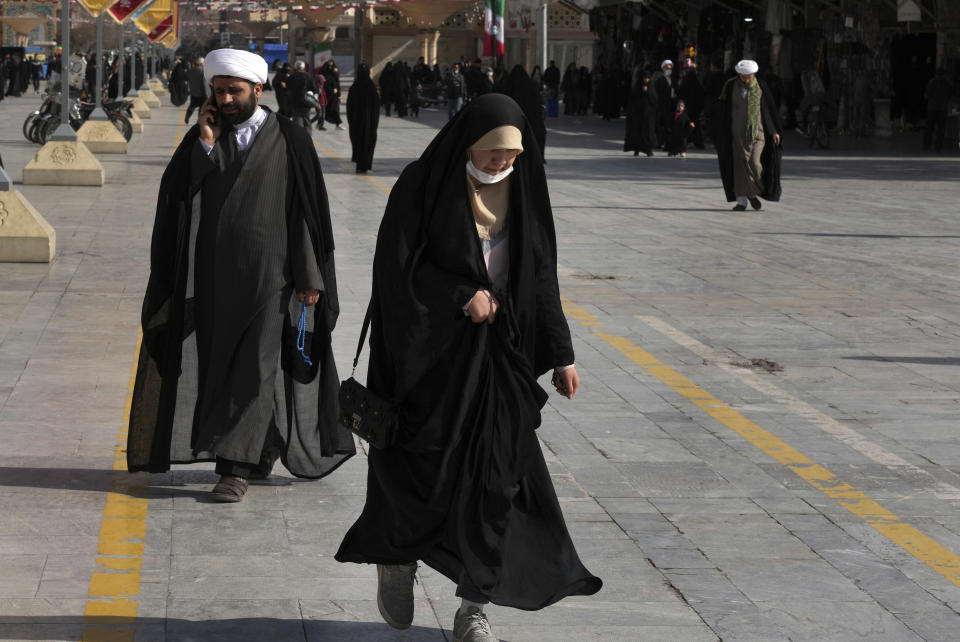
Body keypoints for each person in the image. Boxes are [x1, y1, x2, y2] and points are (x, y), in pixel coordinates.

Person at [335, 93, 602, 642]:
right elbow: (396, 269)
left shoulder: (525, 189)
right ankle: (399, 561)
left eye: (510, 156)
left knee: (498, 481)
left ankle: (473, 607)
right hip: (429, 363)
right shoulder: (423, 184)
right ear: (467, 144)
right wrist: (460, 293)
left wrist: (562, 354)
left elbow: (541, 273)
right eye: (491, 154)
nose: (501, 165)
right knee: (423, 473)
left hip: (501, 362)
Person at [126, 48, 355, 501]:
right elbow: (179, 194)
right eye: (219, 91)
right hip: (214, 278)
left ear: (257, 88)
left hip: (272, 279)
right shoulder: (204, 139)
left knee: (256, 365)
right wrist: (206, 141)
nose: (227, 99)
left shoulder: (289, 136)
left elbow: (305, 214)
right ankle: (262, 442)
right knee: (219, 366)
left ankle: (235, 468)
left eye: (235, 90)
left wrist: (311, 277)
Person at [716, 59, 782, 211]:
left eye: (750, 76)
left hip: (757, 132)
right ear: (739, 74)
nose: (747, 79)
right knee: (739, 167)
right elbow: (723, 110)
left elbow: (766, 111)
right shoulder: (731, 86)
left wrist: (773, 131)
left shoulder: (760, 87)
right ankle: (742, 201)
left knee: (754, 163)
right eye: (744, 76)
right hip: (737, 133)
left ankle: (754, 190)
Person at [498, 65, 546, 161]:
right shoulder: (532, 85)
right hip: (532, 120)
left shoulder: (509, 86)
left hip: (515, 121)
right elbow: (539, 103)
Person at [347, 63, 381, 174]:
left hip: (356, 123)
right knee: (368, 142)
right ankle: (366, 165)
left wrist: (351, 121)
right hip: (370, 124)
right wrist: (374, 122)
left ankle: (359, 165)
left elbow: (349, 107)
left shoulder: (354, 88)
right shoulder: (371, 89)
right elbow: (376, 107)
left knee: (358, 142)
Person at [624, 70, 658, 157]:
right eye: (645, 78)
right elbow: (632, 99)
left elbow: (654, 100)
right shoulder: (637, 87)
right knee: (637, 131)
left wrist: (648, 92)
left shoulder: (651, 87)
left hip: (648, 115)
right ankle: (637, 149)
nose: (646, 80)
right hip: (638, 114)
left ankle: (648, 150)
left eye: (648, 78)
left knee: (648, 131)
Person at [923, 68, 954, 153]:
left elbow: (926, 95)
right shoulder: (948, 83)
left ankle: (927, 145)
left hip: (932, 108)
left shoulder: (932, 82)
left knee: (929, 127)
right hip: (943, 108)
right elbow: (950, 95)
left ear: (936, 73)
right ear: (944, 74)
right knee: (941, 128)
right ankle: (938, 147)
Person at [287, 60, 317, 131]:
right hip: (306, 102)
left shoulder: (291, 77)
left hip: (295, 103)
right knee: (306, 120)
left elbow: (287, 90)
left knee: (297, 121)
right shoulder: (308, 76)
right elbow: (314, 89)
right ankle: (307, 138)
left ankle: (299, 138)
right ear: (303, 67)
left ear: (295, 67)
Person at [654, 59, 677, 145]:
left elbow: (677, 91)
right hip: (661, 107)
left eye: (670, 68)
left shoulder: (673, 81)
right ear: (663, 69)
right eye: (667, 68)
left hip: (671, 106)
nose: (669, 70)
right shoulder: (659, 81)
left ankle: (668, 142)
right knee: (661, 125)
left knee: (669, 125)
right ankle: (660, 142)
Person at [320, 61, 343, 129]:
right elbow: (323, 85)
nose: (330, 67)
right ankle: (321, 125)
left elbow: (337, 83)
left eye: (331, 66)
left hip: (334, 95)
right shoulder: (324, 74)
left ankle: (338, 124)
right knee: (324, 111)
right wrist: (331, 90)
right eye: (329, 66)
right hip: (326, 95)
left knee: (336, 109)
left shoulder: (334, 73)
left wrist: (339, 95)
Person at [184, 57, 206, 124]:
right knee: (201, 108)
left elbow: (186, 78)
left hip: (193, 92)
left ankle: (187, 116)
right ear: (202, 63)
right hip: (202, 93)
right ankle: (199, 121)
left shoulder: (191, 70)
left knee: (192, 106)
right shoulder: (204, 71)